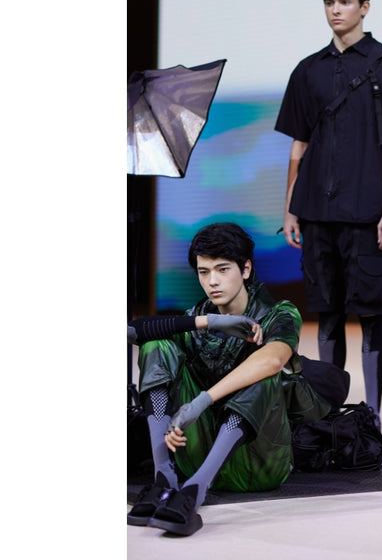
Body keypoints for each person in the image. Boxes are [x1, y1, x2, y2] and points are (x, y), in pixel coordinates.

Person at [127, 222, 343, 536]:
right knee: (156, 345)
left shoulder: (279, 313)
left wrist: (199, 403)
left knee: (263, 372)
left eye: (222, 269)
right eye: (203, 272)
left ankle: (194, 493)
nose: (212, 281)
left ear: (246, 269)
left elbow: (273, 360)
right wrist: (211, 321)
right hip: (195, 452)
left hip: (259, 464)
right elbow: (129, 332)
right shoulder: (199, 315)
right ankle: (165, 480)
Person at [275, 0, 382, 424]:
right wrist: (290, 208)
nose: (336, 10)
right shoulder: (308, 70)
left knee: (372, 315)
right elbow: (299, 144)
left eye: (344, 1)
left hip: (370, 213)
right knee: (327, 314)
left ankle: (372, 416)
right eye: (329, 2)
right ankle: (328, 414)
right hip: (317, 212)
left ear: (364, 7)